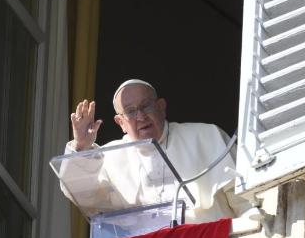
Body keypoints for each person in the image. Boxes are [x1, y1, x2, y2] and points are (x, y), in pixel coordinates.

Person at [61, 79, 251, 223]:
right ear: (121, 123)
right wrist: (81, 147)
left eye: (146, 106)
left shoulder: (206, 136)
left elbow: (245, 200)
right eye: (130, 111)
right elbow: (86, 200)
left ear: (161, 107)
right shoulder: (110, 157)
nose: (141, 116)